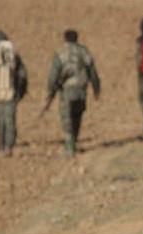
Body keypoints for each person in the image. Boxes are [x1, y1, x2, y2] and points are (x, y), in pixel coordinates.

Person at [46, 29, 100, 157]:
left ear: (65, 38)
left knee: (67, 118)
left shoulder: (60, 53)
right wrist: (96, 89)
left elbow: (53, 75)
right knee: (77, 116)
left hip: (67, 90)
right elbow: (93, 72)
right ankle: (73, 143)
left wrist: (51, 91)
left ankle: (69, 148)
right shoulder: (84, 52)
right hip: (81, 90)